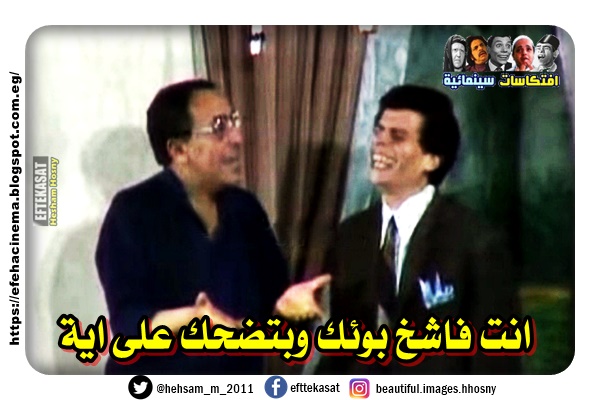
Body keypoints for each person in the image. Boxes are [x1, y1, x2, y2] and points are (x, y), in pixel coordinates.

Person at [96, 78, 327, 375]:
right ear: (179, 150)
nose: (237, 138)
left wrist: (288, 309)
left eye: (234, 122)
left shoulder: (246, 210)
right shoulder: (132, 212)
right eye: (219, 127)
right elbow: (128, 323)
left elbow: (271, 310)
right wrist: (191, 318)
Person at [317, 85, 520, 375]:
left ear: (431, 159)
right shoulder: (350, 235)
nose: (380, 143)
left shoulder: (476, 241)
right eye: (379, 131)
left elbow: (496, 360)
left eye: (397, 136)